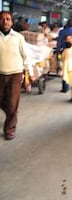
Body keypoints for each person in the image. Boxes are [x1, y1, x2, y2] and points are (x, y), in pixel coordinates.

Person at [0, 11, 34, 140]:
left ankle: (10, 129)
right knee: (3, 102)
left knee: (13, 103)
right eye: (2, 19)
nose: (5, 21)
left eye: (8, 19)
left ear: (12, 22)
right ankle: (11, 114)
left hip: (15, 74)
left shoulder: (18, 37)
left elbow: (26, 56)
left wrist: (30, 73)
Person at [56, 19, 72, 92]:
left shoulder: (62, 32)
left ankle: (65, 87)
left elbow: (59, 42)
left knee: (64, 68)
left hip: (63, 52)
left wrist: (57, 52)